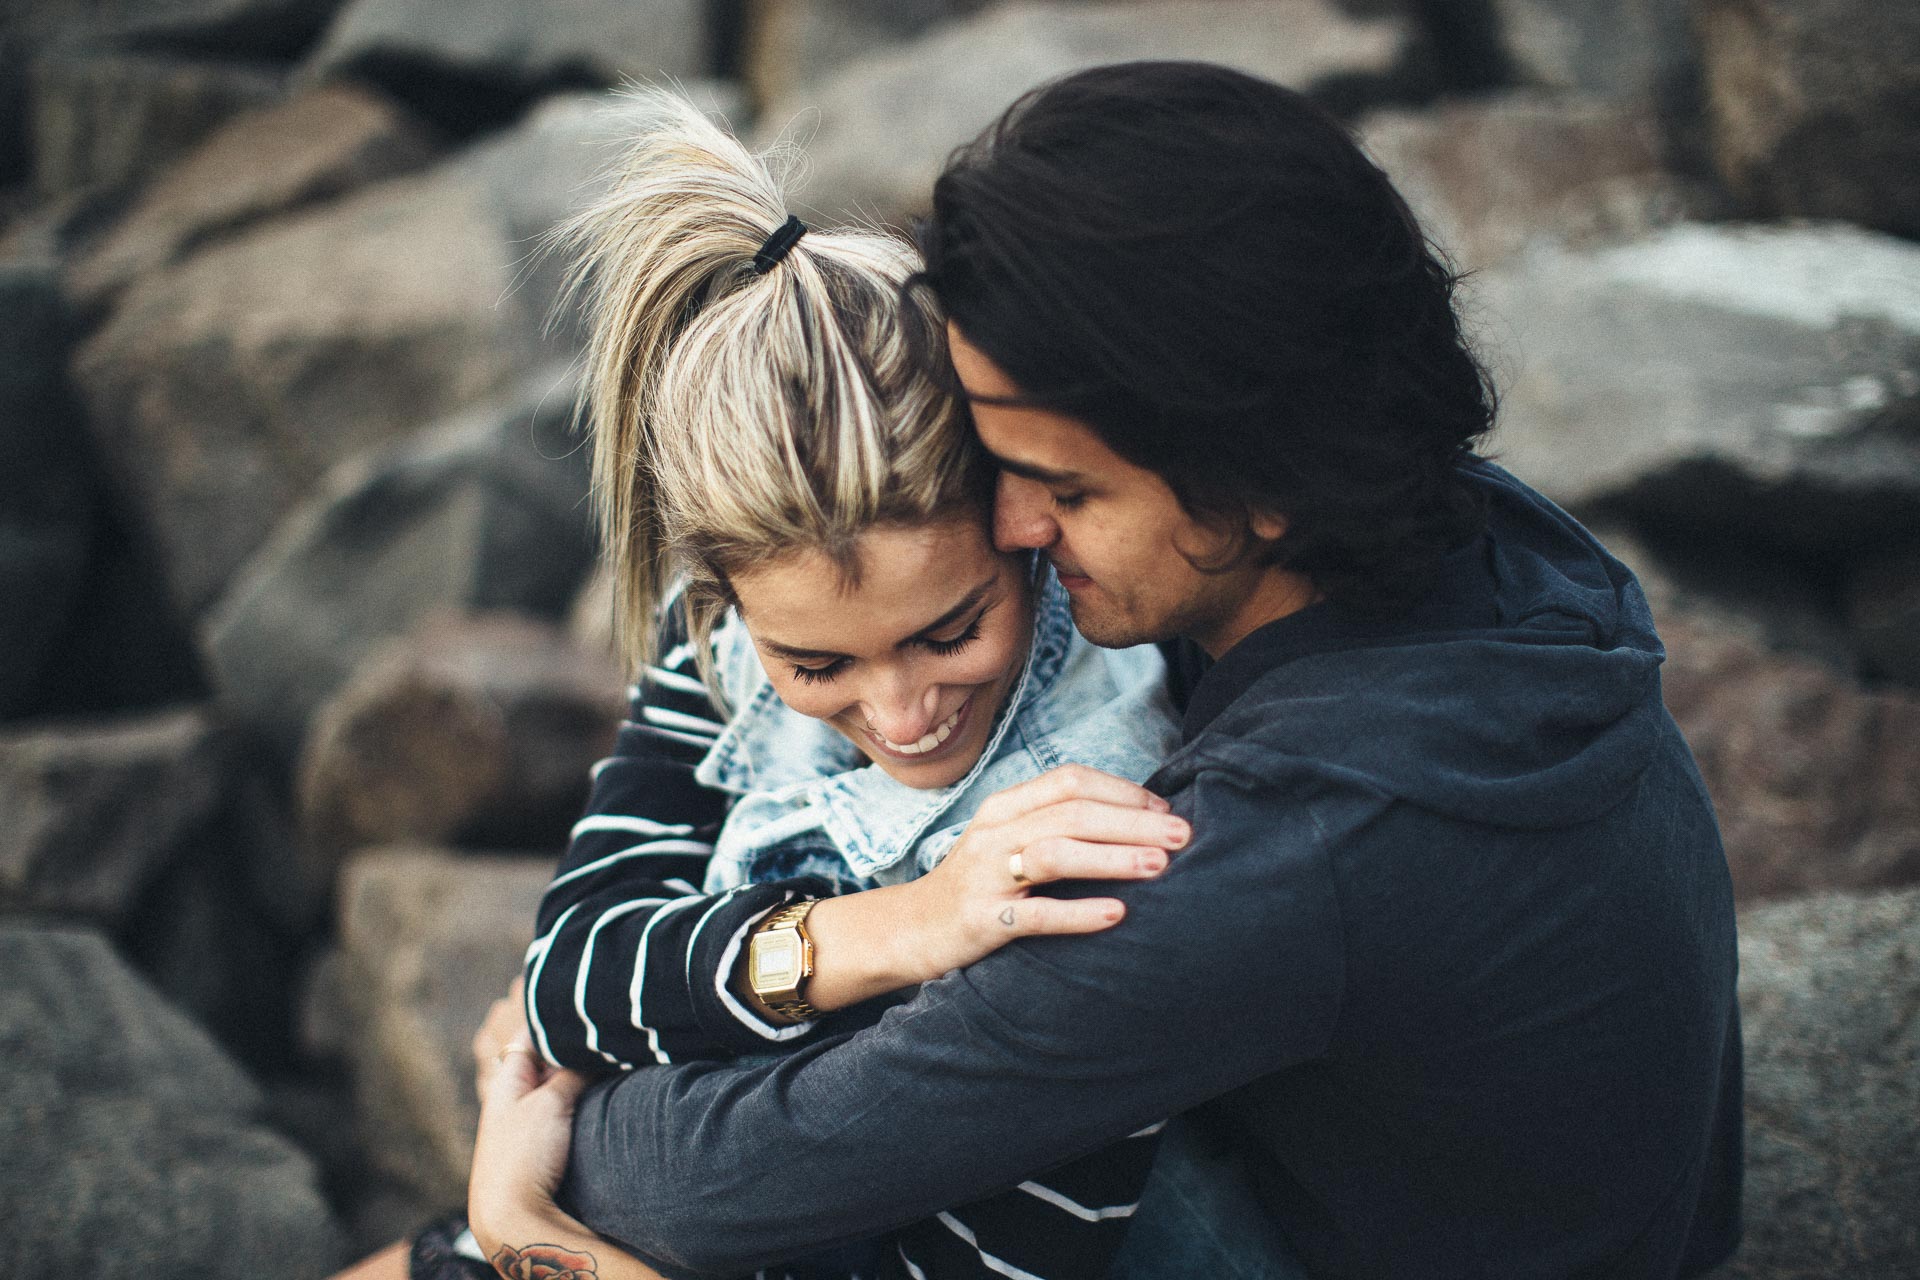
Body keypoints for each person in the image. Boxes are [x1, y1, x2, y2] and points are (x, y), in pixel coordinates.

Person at [466, 60, 1744, 1280]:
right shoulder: (1478, 534)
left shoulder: (1233, 849)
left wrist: (517, 1211)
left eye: (1064, 486)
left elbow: (669, 1190)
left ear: (1257, 482)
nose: (1015, 525)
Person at [341, 90, 1200, 1280]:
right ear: (728, 601)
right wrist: (912, 923)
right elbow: (575, 975)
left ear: (1018, 519)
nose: (902, 711)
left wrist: (527, 1229)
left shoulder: (1105, 793)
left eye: (950, 629)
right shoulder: (719, 655)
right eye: (819, 664)